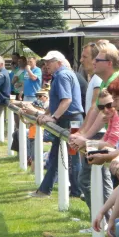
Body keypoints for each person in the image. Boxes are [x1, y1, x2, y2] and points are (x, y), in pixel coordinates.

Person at [69, 44, 119, 220]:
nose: (91, 61)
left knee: (103, 183)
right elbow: (99, 111)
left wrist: (86, 138)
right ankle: (101, 222)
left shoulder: (116, 82)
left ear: (109, 63)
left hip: (117, 143)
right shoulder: (106, 81)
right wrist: (84, 136)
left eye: (96, 59)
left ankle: (106, 224)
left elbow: (98, 111)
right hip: (107, 139)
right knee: (93, 181)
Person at [29, 50, 83, 198]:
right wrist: (47, 114)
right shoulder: (63, 74)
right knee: (59, 155)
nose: (46, 65)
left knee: (72, 156)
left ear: (58, 62)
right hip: (70, 119)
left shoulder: (62, 75)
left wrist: (53, 117)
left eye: (49, 62)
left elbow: (66, 100)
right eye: (45, 62)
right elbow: (58, 101)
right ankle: (48, 189)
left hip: (70, 120)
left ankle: (74, 191)